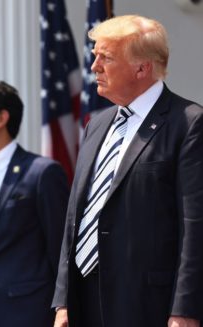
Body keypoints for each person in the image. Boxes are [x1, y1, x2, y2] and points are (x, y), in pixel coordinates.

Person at [52, 15, 203, 327]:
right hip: (85, 303)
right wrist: (63, 301)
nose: (93, 67)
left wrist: (186, 309)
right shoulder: (97, 124)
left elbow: (195, 225)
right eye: (94, 56)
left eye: (105, 57)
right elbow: (75, 219)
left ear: (141, 68)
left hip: (149, 306)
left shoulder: (188, 123)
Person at [0, 80, 69, 326]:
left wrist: (64, 308)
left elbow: (62, 250)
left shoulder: (42, 173)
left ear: (0, 119)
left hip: (28, 315)